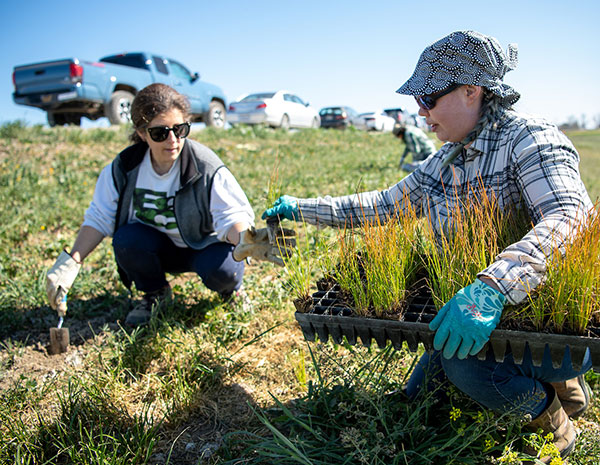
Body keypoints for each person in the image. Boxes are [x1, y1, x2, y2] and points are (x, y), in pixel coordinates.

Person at [262, 31, 594, 462]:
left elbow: (571, 217)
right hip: (477, 315)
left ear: (472, 90)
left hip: (545, 322)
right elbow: (382, 206)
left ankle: (552, 414)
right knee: (421, 397)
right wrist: (300, 209)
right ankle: (543, 380)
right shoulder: (445, 160)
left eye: (429, 98)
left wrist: (493, 287)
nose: (420, 112)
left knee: (464, 367)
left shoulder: (530, 139)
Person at [46, 83, 292, 327]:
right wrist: (72, 262)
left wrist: (244, 239)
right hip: (156, 248)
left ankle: (232, 292)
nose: (172, 140)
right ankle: (155, 294)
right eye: (160, 132)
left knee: (223, 272)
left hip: (203, 247)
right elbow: (99, 218)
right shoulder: (125, 167)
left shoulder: (205, 166)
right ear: (142, 133)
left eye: (180, 129)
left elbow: (229, 214)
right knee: (127, 240)